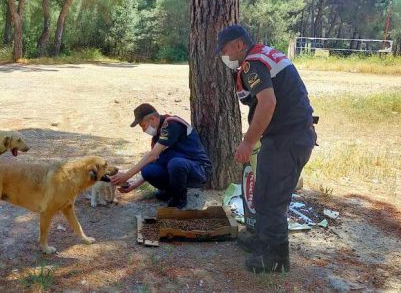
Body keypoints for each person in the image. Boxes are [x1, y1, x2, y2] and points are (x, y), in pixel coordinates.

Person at [215, 25, 316, 273]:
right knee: (263, 192)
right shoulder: (265, 55)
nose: (223, 55)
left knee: (271, 198)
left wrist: (248, 141)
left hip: (286, 138)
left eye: (225, 49)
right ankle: (262, 241)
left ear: (239, 44)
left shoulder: (252, 64)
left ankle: (275, 257)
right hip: (290, 135)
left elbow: (268, 103)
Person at [110, 103, 212, 209]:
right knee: (148, 170)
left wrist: (126, 175)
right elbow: (153, 160)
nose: (143, 130)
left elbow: (152, 155)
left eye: (143, 125)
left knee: (176, 163)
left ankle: (179, 200)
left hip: (199, 169)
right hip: (179, 169)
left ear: (152, 119)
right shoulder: (157, 135)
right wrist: (133, 186)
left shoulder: (171, 124)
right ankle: (170, 192)